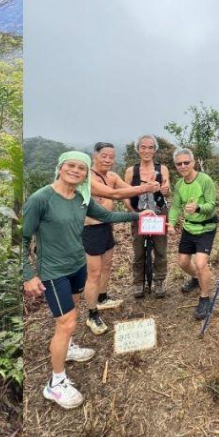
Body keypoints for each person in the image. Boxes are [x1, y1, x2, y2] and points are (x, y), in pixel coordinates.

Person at [23, 151, 151, 409]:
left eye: (81, 168)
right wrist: (28, 275)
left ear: (85, 174)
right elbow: (21, 239)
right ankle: (55, 383)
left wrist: (138, 216)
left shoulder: (81, 198)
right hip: (53, 271)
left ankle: (67, 350)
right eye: (70, 165)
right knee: (66, 323)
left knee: (71, 317)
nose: (76, 171)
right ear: (60, 167)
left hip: (77, 266)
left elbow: (106, 216)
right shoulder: (41, 199)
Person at [83, 142, 161, 335]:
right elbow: (114, 194)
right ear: (95, 156)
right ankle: (91, 314)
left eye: (111, 156)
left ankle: (102, 298)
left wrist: (150, 186)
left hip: (107, 227)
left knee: (107, 265)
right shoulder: (87, 177)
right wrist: (145, 189)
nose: (108, 160)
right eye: (104, 156)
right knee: (93, 273)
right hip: (90, 229)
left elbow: (128, 189)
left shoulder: (112, 176)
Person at [167, 148, 218, 320]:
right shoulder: (179, 185)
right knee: (182, 262)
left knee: (201, 263)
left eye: (186, 162)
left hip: (206, 228)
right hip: (189, 228)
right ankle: (196, 278)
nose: (183, 166)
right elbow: (175, 206)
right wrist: (171, 224)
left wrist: (198, 208)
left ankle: (204, 298)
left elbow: (212, 205)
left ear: (193, 162)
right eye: (179, 163)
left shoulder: (205, 180)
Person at [124, 135, 171, 298]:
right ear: (137, 149)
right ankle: (138, 283)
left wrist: (165, 190)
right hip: (138, 214)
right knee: (138, 251)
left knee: (160, 249)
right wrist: (133, 213)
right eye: (143, 147)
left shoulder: (162, 169)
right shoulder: (131, 171)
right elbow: (125, 194)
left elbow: (167, 189)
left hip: (158, 214)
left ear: (155, 150)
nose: (147, 150)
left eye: (151, 147)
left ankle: (159, 281)